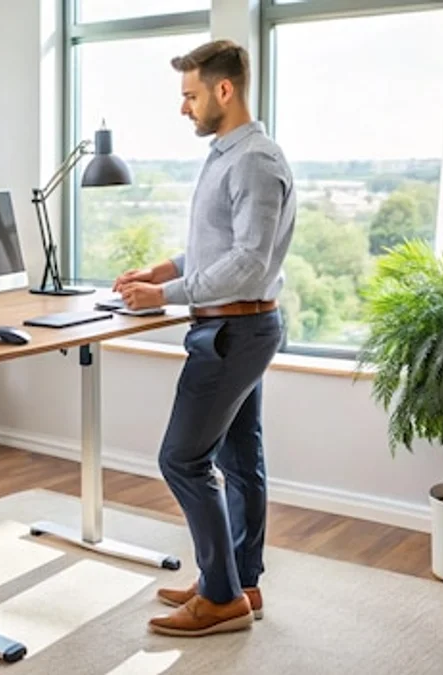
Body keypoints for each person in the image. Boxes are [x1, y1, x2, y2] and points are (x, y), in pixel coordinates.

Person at [114, 38, 295, 637]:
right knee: (239, 459)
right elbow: (217, 243)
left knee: (181, 458)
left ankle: (220, 598)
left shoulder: (254, 162)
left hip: (235, 329)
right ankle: (241, 582)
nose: (183, 108)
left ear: (224, 90)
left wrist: (164, 297)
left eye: (190, 96)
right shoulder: (227, 155)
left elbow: (248, 261)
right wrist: (162, 271)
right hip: (232, 325)